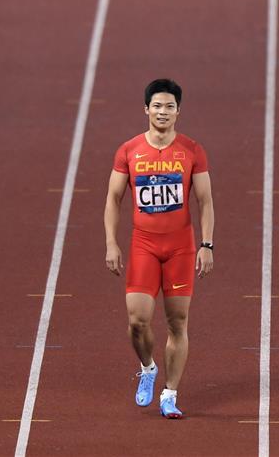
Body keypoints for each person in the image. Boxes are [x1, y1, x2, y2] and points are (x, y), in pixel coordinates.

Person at [104, 78, 215, 419]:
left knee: (177, 323)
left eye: (169, 106)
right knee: (137, 321)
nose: (162, 111)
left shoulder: (192, 150)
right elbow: (113, 198)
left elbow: (205, 201)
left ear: (178, 112)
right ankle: (148, 368)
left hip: (180, 247)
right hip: (144, 245)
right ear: (146, 110)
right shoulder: (129, 150)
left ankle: (170, 393)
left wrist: (206, 244)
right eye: (157, 106)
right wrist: (111, 242)